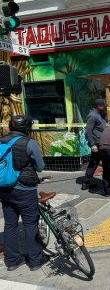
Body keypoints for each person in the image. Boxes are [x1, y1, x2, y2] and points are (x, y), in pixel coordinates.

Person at [0, 116, 49, 271]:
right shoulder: (29, 143)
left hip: (4, 189)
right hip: (25, 189)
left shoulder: (1, 141)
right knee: (30, 224)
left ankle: (12, 261)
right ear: (26, 128)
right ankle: (35, 260)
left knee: (10, 225)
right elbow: (40, 167)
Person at [82, 99, 107, 190]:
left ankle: (86, 182)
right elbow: (88, 131)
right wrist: (92, 144)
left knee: (94, 162)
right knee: (103, 163)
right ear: (98, 106)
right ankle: (107, 185)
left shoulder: (100, 114)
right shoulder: (93, 116)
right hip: (97, 144)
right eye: (104, 105)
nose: (105, 107)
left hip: (101, 143)